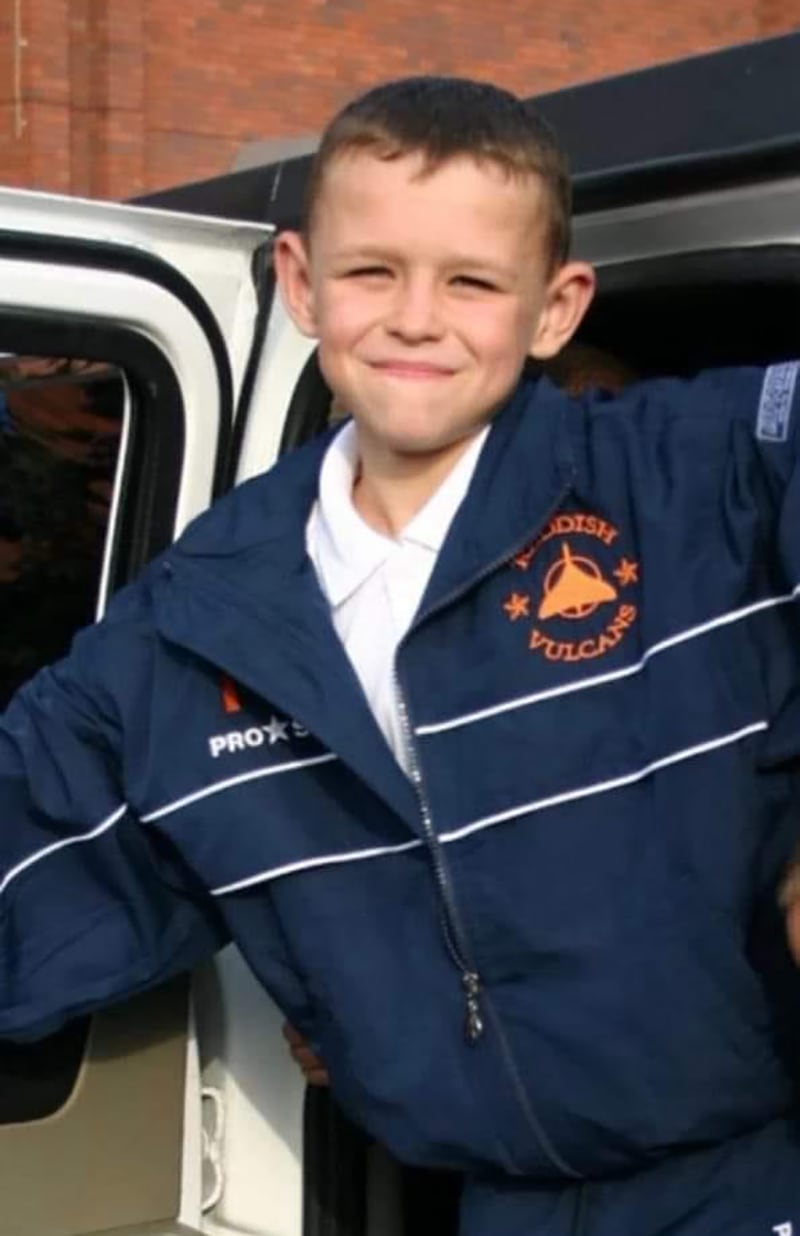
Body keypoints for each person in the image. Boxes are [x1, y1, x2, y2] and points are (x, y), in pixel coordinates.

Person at [4, 75, 800, 1236]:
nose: (416, 317)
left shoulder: (694, 477)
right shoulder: (192, 620)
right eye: (372, 270)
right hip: (495, 1207)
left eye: (471, 281)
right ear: (298, 283)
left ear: (554, 308)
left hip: (757, 1178)